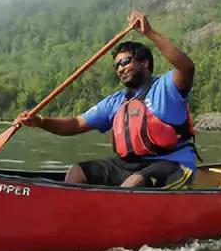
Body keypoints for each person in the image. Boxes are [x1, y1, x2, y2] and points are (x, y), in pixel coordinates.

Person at [13, 10, 197, 188]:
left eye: (125, 62)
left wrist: (149, 33)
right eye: (117, 66)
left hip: (173, 164)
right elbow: (76, 124)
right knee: (78, 172)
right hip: (130, 166)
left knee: (133, 183)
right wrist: (41, 122)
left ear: (144, 62)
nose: (120, 69)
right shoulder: (116, 102)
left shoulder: (166, 88)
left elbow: (186, 68)